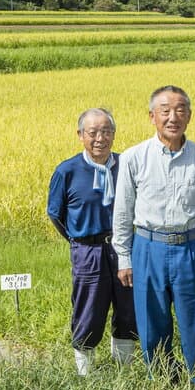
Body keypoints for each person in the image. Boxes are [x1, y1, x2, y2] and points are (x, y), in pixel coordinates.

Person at [112, 85, 195, 384]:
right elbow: (122, 212)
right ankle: (162, 380)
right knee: (151, 321)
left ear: (189, 116)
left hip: (192, 247)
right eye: (165, 110)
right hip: (148, 247)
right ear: (152, 116)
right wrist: (124, 257)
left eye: (180, 110)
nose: (173, 117)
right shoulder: (134, 157)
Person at [47, 108, 136, 375]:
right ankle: (85, 374)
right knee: (89, 308)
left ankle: (124, 369)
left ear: (114, 134)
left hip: (124, 250)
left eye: (106, 131)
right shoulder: (68, 171)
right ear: (80, 135)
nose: (100, 138)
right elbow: (56, 213)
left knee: (127, 305)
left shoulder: (126, 165)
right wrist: (79, 241)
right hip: (88, 250)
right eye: (93, 132)